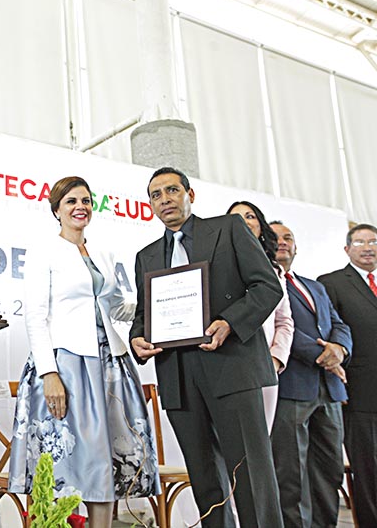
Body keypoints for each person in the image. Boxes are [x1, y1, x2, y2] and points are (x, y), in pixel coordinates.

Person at [129, 167, 283, 528]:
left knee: (251, 477)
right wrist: (138, 338)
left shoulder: (228, 230)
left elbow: (266, 287)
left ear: (190, 195)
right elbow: (142, 315)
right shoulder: (146, 256)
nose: (164, 199)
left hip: (232, 366)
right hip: (178, 377)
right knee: (205, 482)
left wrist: (230, 322)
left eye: (171, 190)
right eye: (156, 194)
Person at [8, 176, 159, 528]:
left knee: (104, 457)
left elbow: (115, 306)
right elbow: (35, 316)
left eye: (86, 200)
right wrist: (49, 374)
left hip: (109, 363)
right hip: (66, 365)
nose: (81, 207)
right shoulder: (44, 251)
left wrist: (158, 305)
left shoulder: (103, 254)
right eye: (71, 201)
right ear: (57, 210)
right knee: (69, 458)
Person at [267, 221, 350, 528]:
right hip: (291, 388)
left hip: (328, 391)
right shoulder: (263, 282)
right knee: (292, 476)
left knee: (330, 471)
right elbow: (285, 329)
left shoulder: (315, 286)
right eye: (275, 237)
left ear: (296, 246)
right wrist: (323, 356)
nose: (283, 242)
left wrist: (339, 350)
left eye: (289, 237)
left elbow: (339, 324)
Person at [318, 223, 377, 527]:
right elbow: (330, 329)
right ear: (347, 249)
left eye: (373, 241)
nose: (368, 247)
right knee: (368, 471)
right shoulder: (332, 283)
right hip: (360, 392)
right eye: (360, 242)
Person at [226, 201, 294, 431]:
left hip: (265, 368)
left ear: (261, 226)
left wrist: (275, 359)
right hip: (229, 364)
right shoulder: (217, 265)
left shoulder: (276, 271)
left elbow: (284, 321)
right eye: (235, 217)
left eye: (250, 216)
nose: (243, 221)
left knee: (261, 441)